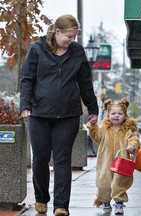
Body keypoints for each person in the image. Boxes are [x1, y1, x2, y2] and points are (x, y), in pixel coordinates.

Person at [20, 14, 99, 216]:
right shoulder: (37, 49)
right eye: (69, 36)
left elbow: (85, 82)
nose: (72, 41)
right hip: (39, 114)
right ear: (57, 32)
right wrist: (25, 104)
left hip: (68, 115)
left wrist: (92, 109)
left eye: (74, 37)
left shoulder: (77, 52)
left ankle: (61, 206)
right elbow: (27, 79)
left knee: (62, 160)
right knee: (40, 159)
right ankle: (41, 199)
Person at [86, 98, 141, 215]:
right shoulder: (104, 129)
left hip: (121, 163)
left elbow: (134, 140)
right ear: (108, 114)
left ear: (125, 115)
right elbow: (96, 136)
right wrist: (93, 126)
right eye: (113, 113)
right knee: (103, 184)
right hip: (105, 162)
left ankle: (119, 204)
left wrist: (132, 146)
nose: (116, 116)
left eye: (120, 113)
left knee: (119, 184)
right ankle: (105, 201)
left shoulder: (127, 130)